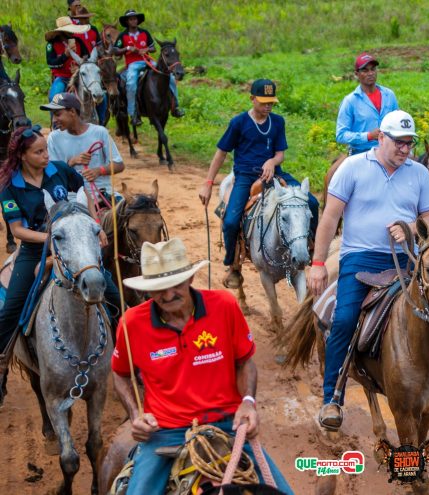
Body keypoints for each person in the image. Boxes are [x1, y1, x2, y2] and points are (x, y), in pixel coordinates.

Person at [308, 110, 429, 430]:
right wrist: (317, 263)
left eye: (410, 144)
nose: (406, 150)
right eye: (399, 143)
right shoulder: (352, 168)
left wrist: (410, 226)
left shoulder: (419, 175)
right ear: (381, 138)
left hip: (410, 259)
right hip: (361, 259)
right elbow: (329, 219)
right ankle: (332, 398)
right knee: (345, 318)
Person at [111, 238, 293, 494]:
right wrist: (135, 415)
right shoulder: (131, 323)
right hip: (165, 431)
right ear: (147, 291)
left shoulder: (225, 306)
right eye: (158, 289)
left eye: (175, 285)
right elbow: (120, 374)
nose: (168, 295)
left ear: (190, 279)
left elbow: (245, 362)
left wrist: (248, 402)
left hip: (228, 424)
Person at [0, 125, 121, 405]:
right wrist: (51, 239)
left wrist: (92, 224)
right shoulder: (9, 186)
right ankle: (3, 359)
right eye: (38, 151)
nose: (46, 155)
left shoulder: (58, 170)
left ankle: (127, 354)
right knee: (12, 306)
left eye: (45, 150)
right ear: (22, 155)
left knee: (113, 294)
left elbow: (85, 191)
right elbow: (17, 230)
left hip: (74, 243)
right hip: (34, 249)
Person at [198, 79, 320, 287]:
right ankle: (233, 265)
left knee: (312, 202)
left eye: (271, 103)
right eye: (263, 102)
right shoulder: (238, 123)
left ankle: (312, 247)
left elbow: (280, 153)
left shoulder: (278, 122)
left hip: (274, 173)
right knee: (230, 221)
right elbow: (221, 153)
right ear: (252, 99)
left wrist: (272, 161)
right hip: (246, 176)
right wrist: (208, 183)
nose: (267, 106)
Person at [42, 93, 124, 212]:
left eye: (57, 114)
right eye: (53, 115)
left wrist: (99, 171)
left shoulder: (100, 132)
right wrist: (71, 162)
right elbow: (52, 174)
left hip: (103, 193)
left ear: (72, 112)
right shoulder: (54, 138)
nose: (54, 120)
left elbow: (119, 165)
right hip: (72, 198)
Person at [112, 9, 184, 127]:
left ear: (137, 20)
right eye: (131, 19)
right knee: (130, 83)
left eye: (135, 18)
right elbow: (115, 50)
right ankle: (133, 113)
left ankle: (175, 107)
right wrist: (128, 49)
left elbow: (153, 48)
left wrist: (146, 49)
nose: (133, 21)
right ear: (127, 22)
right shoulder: (123, 35)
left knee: (170, 77)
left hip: (148, 61)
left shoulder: (145, 33)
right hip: (133, 64)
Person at [335, 52, 399, 155]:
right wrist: (368, 136)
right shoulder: (350, 101)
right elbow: (341, 135)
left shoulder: (389, 95)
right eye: (365, 70)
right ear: (356, 74)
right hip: (362, 153)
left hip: (389, 152)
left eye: (373, 69)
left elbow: (398, 123)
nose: (370, 73)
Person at [70, 6, 108, 125]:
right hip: (77, 65)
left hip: (92, 64)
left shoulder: (94, 29)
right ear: (77, 19)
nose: (84, 21)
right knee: (58, 93)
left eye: (85, 18)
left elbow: (98, 47)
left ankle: (101, 122)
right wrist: (76, 65)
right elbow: (72, 50)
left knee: (103, 96)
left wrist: (102, 59)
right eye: (81, 18)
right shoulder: (73, 31)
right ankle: (56, 122)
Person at [45, 16, 90, 103]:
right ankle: (55, 116)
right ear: (61, 31)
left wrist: (79, 68)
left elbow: (87, 59)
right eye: (69, 29)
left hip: (80, 77)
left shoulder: (79, 41)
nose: (72, 31)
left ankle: (100, 117)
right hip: (62, 78)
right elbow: (51, 63)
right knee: (53, 98)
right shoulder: (52, 44)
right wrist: (65, 55)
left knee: (101, 97)